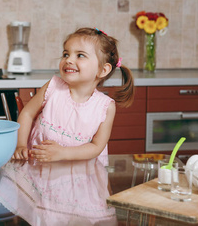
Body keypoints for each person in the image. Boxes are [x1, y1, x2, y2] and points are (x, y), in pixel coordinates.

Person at [13, 27, 134, 163]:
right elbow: (27, 114)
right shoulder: (52, 87)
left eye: (80, 55)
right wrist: (20, 145)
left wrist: (63, 153)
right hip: (38, 168)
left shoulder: (105, 107)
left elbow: (96, 147)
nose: (69, 60)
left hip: (78, 175)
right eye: (66, 54)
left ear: (102, 70)